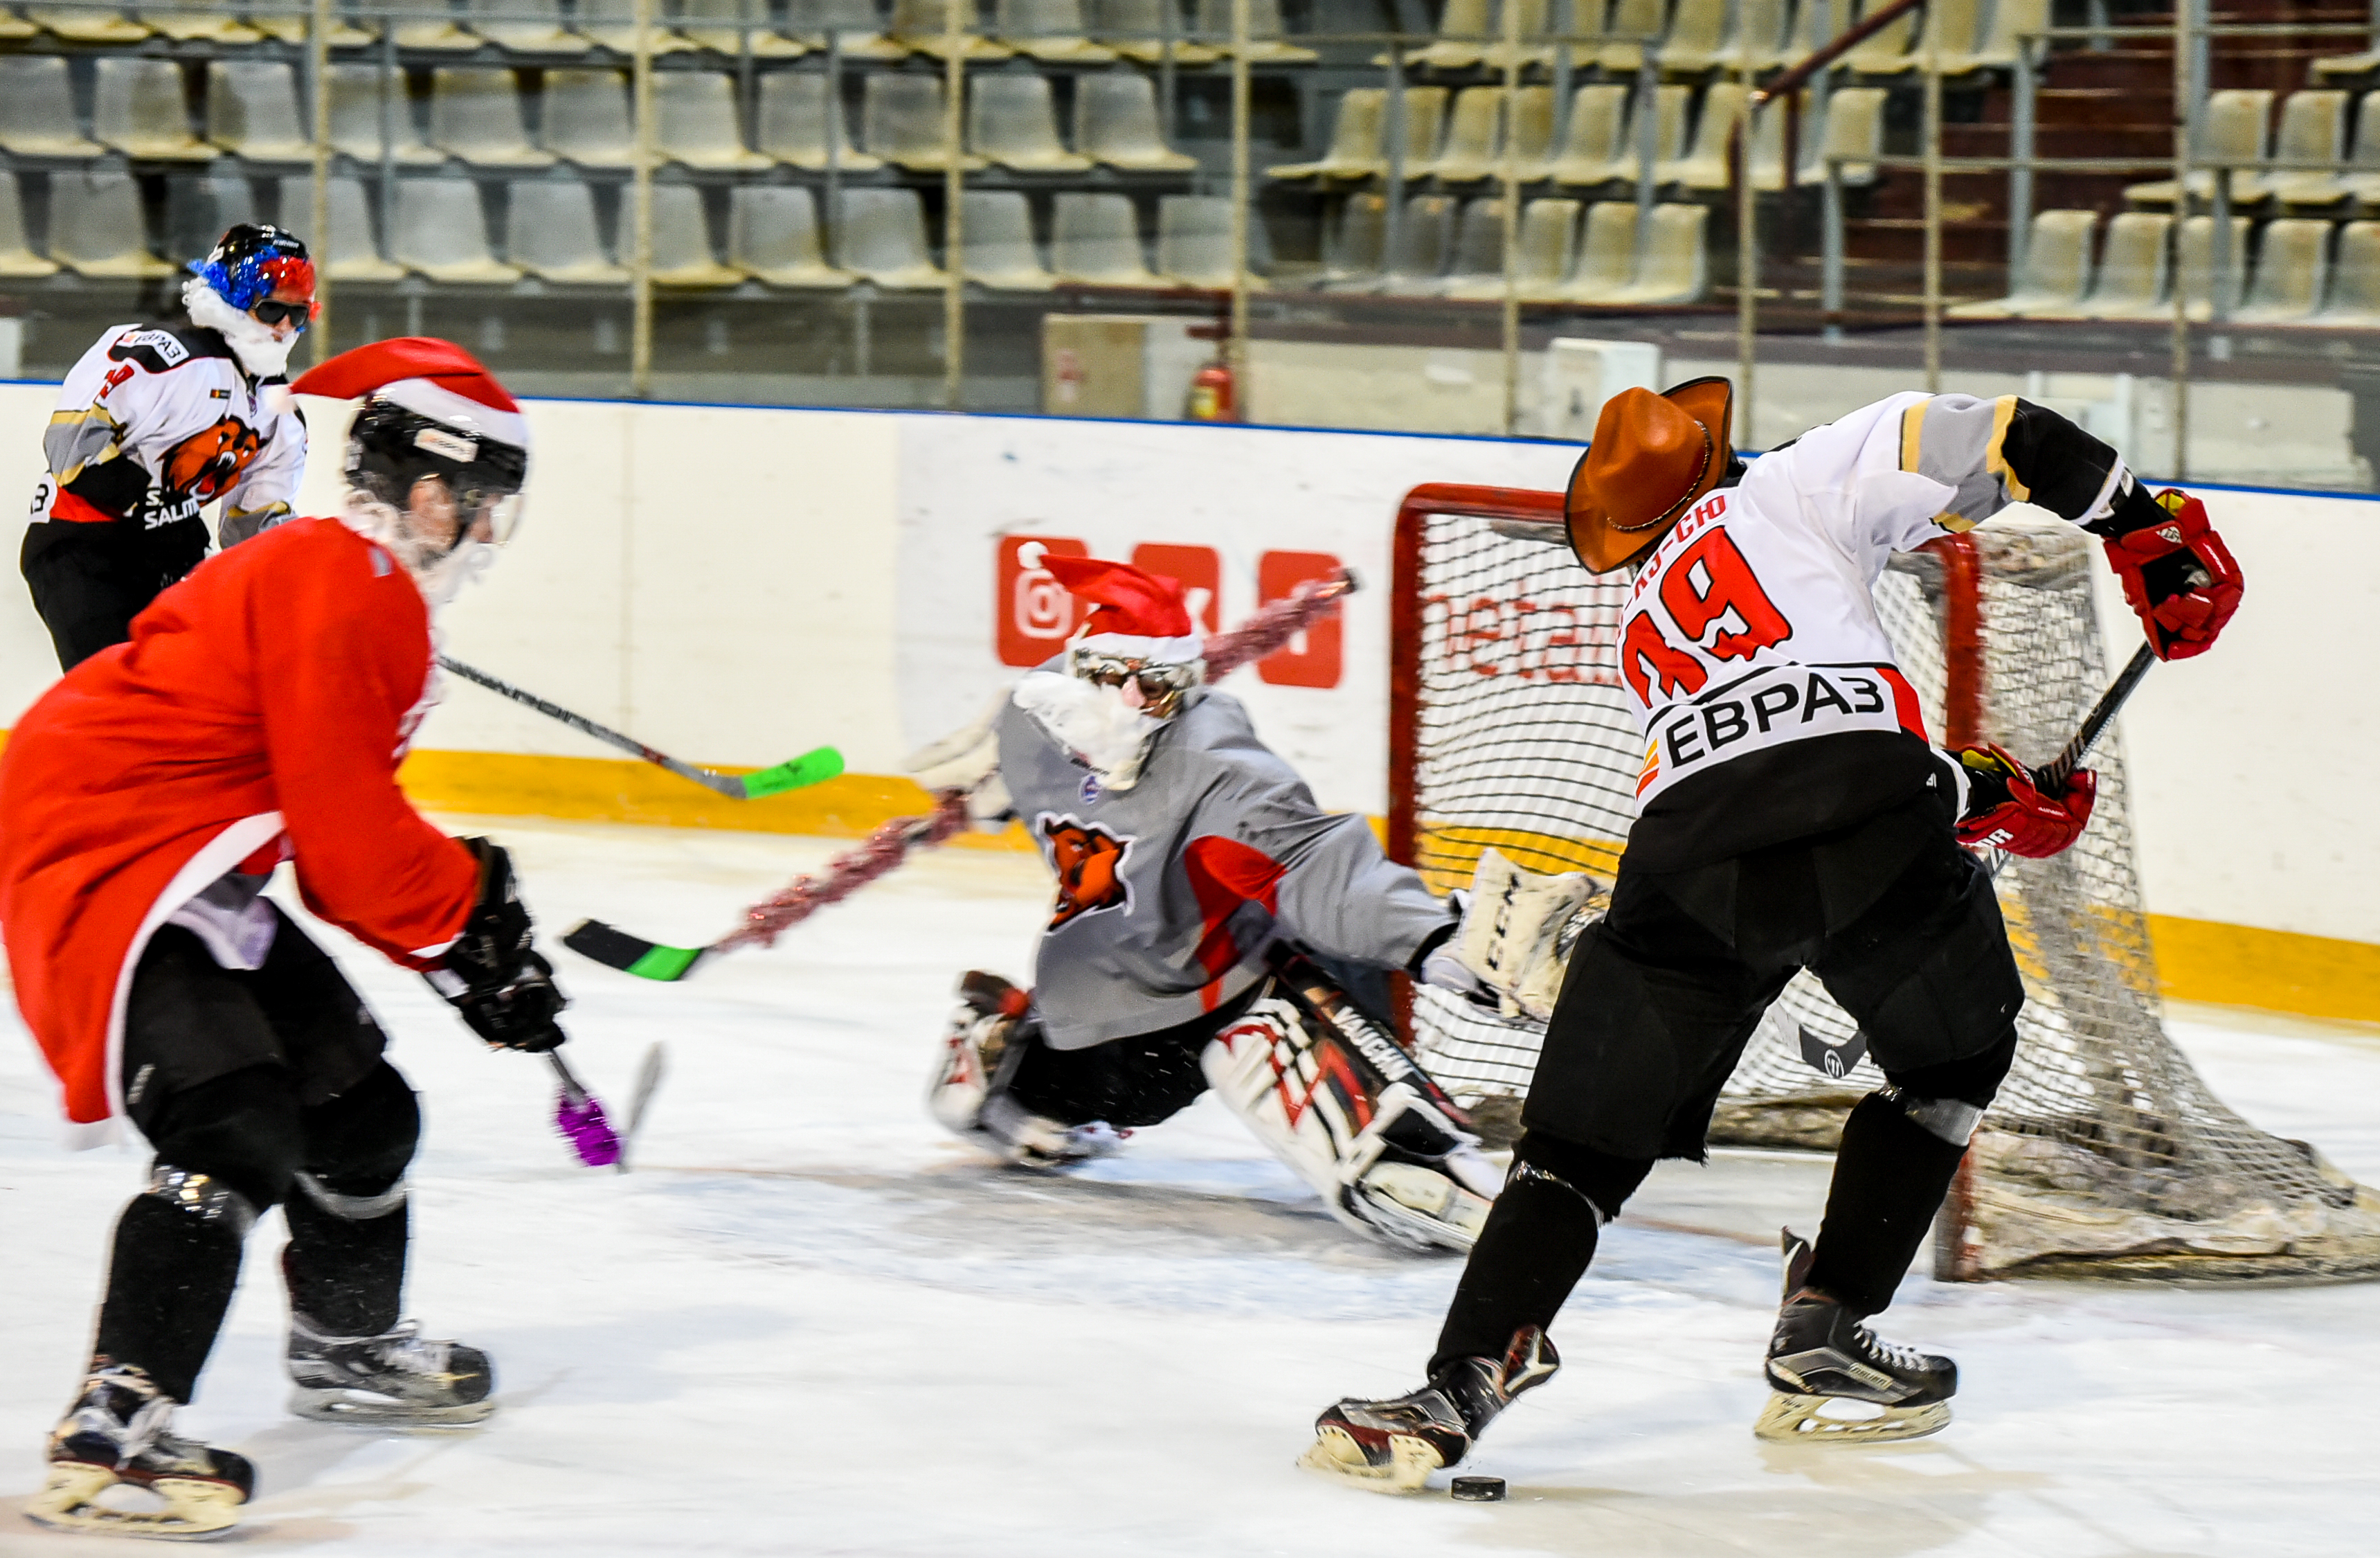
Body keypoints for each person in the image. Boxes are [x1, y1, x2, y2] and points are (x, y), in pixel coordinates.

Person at [1300, 380, 2244, 1488]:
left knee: (1578, 1147)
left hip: (1685, 852)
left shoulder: (1650, 616)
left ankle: (1459, 1381)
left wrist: (1967, 786)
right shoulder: (1790, 480)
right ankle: (1828, 1322)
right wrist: (2143, 525)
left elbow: (1765, 750)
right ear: (1712, 459)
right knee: (1955, 1059)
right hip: (1865, 811)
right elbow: (2009, 436)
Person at [0, 337, 566, 1541]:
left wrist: (468, 938)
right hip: (109, 848)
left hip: (180, 851)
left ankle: (344, 1343)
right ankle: (122, 1411)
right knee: (233, 1117)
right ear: (431, 490)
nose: (486, 535)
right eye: (484, 506)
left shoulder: (348, 581)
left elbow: (334, 825)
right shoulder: (343, 578)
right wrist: (468, 925)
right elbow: (352, 852)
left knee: (361, 1114)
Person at [908, 553, 1595, 1252]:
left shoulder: (1187, 759)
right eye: (1118, 681)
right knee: (1140, 1067)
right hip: (1132, 1016)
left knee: (1292, 963)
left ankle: (1412, 1151)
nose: (1136, 703)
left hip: (1159, 988)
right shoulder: (1036, 720)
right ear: (1084, 670)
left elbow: (1309, 865)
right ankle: (1008, 1059)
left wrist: (1434, 939)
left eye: (1159, 686)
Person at [21, 223, 318, 670]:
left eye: (297, 316)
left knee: (189, 702)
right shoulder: (165, 358)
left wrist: (291, 574)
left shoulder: (281, 414)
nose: (283, 328)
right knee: (116, 705)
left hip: (169, 555)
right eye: (273, 309)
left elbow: (251, 526)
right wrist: (157, 510)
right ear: (233, 299)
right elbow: (73, 449)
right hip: (83, 546)